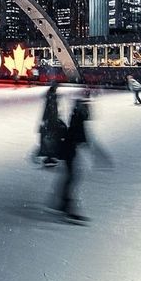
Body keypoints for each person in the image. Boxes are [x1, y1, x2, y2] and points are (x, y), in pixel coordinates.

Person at [52, 90, 92, 221]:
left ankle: (63, 202)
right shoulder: (78, 118)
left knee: (71, 176)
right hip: (68, 149)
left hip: (69, 148)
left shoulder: (77, 116)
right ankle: (65, 204)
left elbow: (81, 130)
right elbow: (79, 132)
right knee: (72, 176)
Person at [38, 81, 60, 167]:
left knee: (49, 139)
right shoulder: (52, 97)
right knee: (50, 139)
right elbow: (51, 110)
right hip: (50, 121)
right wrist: (53, 119)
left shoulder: (50, 96)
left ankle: (49, 156)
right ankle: (49, 157)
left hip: (49, 120)